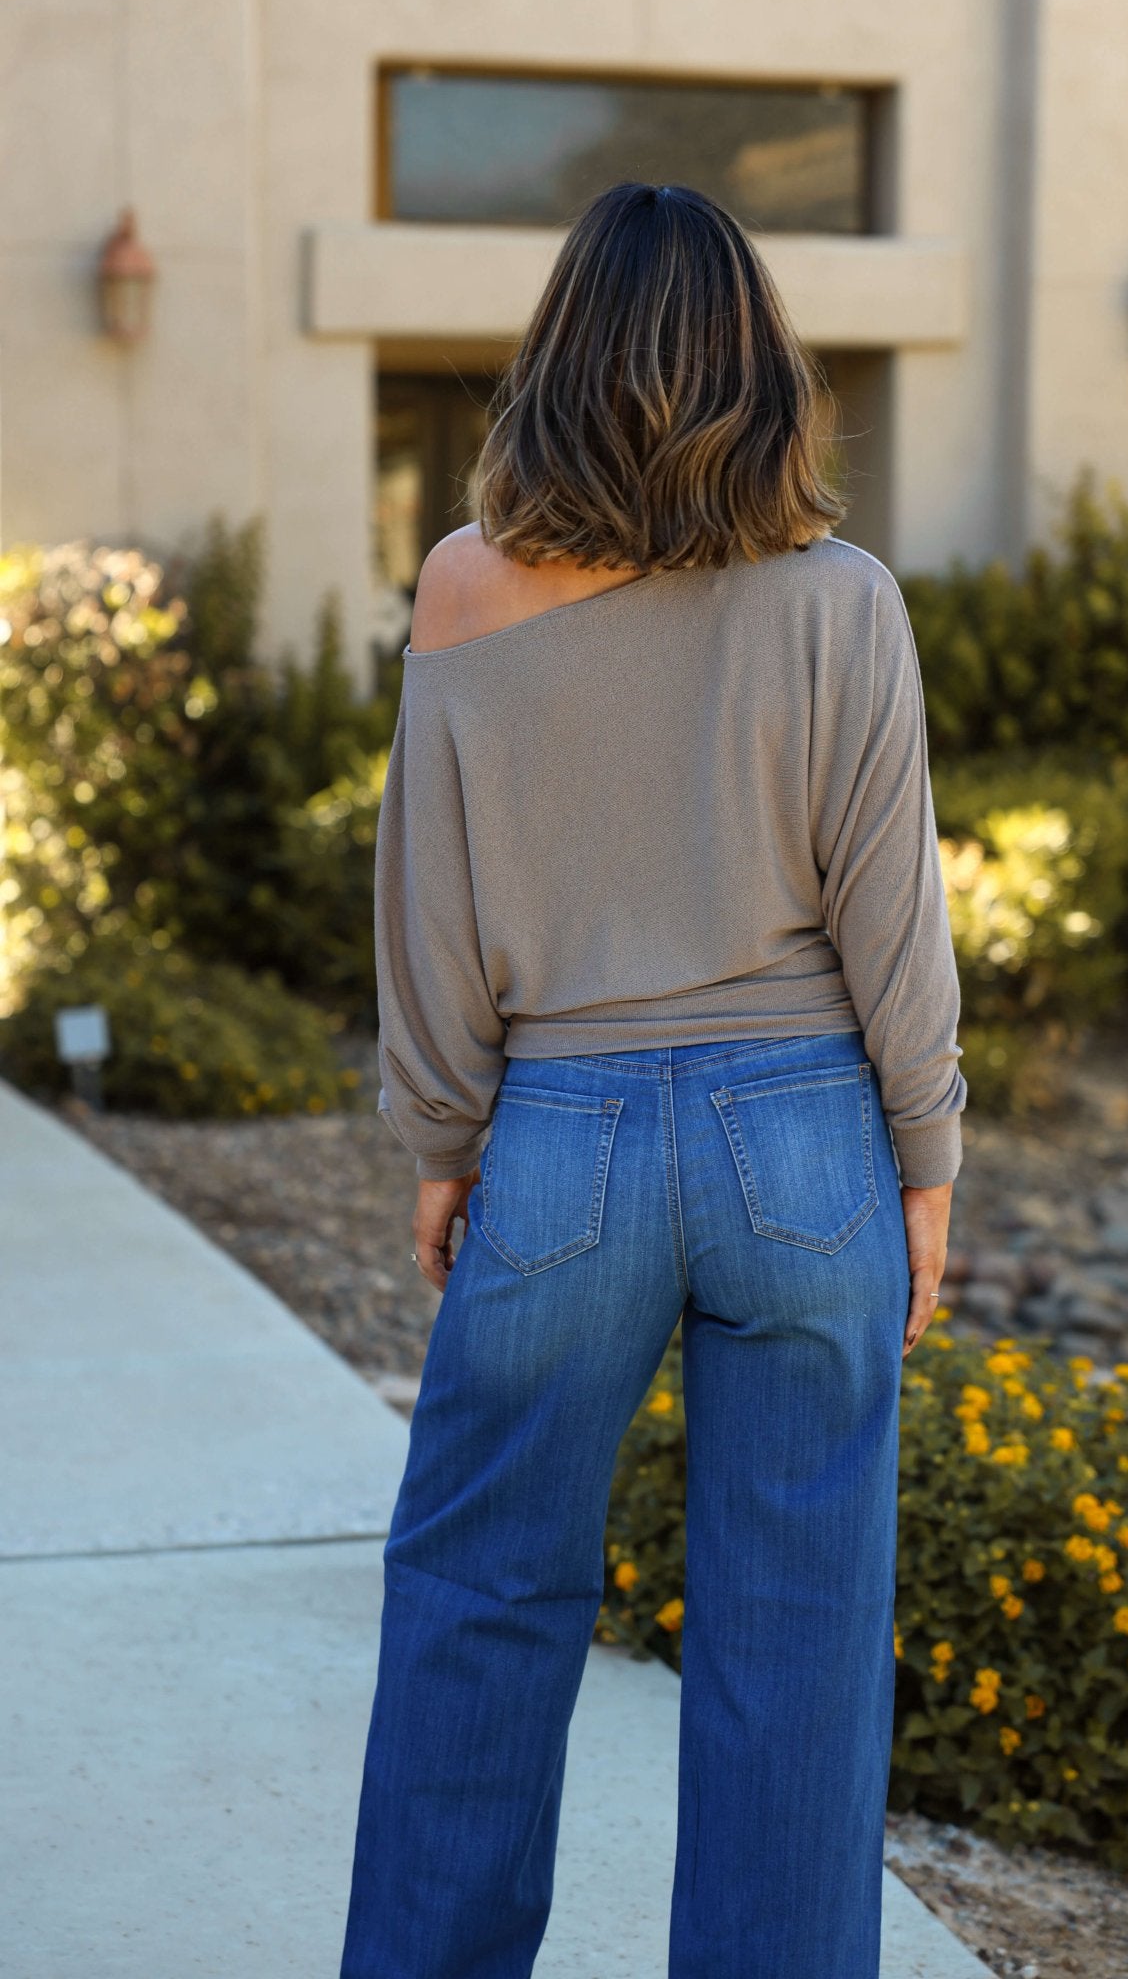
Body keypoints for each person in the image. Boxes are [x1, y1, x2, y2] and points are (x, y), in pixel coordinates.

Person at [340, 179, 967, 1979]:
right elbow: (889, 912)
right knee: (797, 1645)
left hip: (560, 1147)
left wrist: (443, 1141)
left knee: (477, 1602)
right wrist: (922, 1165)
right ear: (759, 370)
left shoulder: (466, 587)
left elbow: (432, 911)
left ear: (559, 360)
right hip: (805, 1141)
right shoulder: (843, 599)